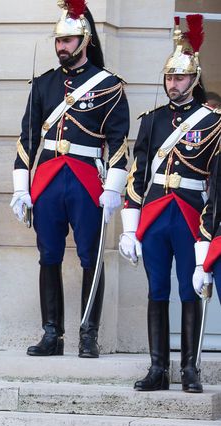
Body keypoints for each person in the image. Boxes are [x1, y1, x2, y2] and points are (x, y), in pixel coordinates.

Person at [11, 0, 129, 358]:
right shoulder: (44, 84)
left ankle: (89, 334)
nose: (61, 47)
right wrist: (20, 188)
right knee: (48, 255)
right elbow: (27, 139)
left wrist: (113, 188)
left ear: (85, 40)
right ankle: (52, 334)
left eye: (68, 40)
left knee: (91, 257)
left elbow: (119, 142)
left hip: (86, 180)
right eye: (58, 40)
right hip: (47, 180)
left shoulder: (109, 85)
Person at [125, 15, 219, 393]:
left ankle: (190, 369)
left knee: (189, 290)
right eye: (169, 77)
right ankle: (158, 368)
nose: (172, 84)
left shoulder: (213, 123)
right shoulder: (152, 121)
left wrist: (208, 240)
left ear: (193, 80)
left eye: (179, 78)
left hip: (191, 214)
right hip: (155, 213)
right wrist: (130, 227)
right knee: (156, 290)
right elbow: (138, 174)